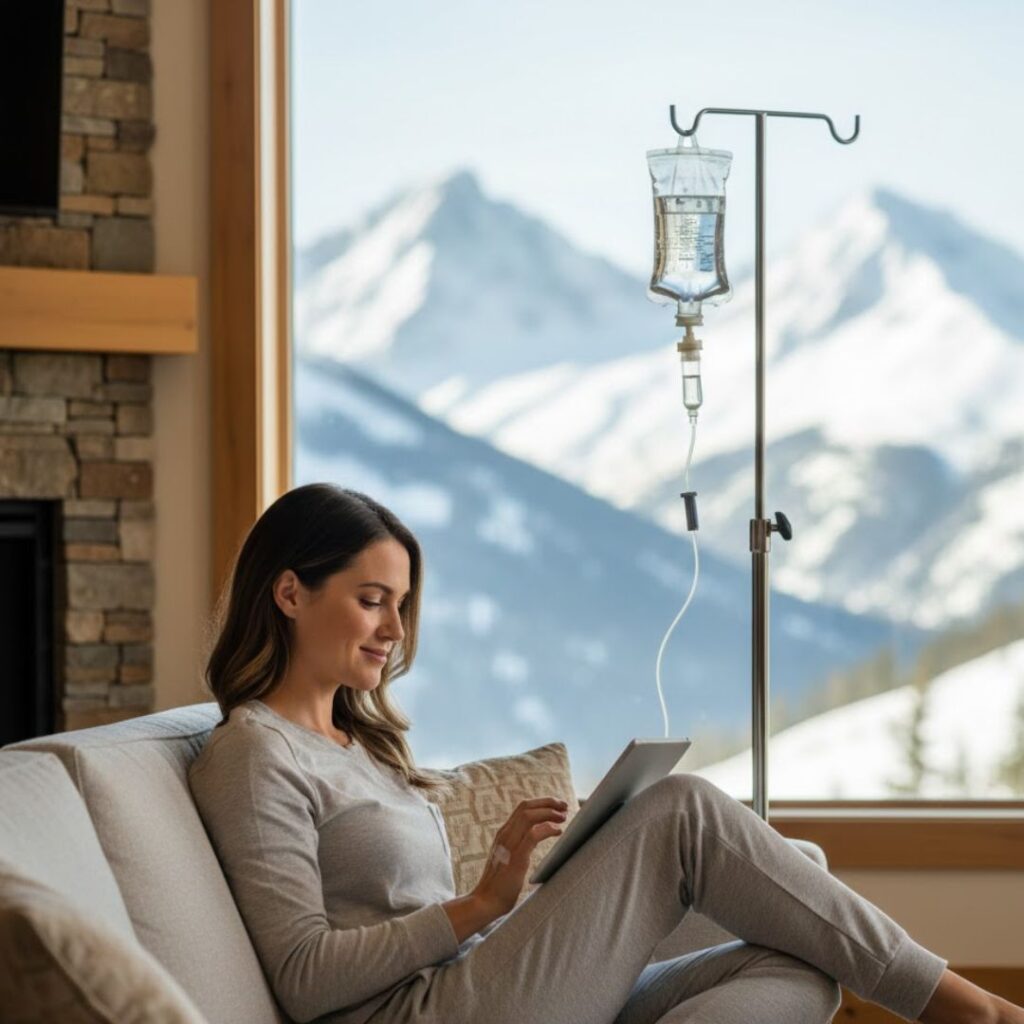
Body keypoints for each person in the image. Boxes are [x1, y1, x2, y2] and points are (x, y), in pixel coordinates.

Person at [188, 483, 1023, 1024]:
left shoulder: (355, 742)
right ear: (291, 591)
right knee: (684, 810)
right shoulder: (254, 755)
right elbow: (300, 977)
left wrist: (523, 891)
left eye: (401, 604)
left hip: (481, 980)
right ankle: (967, 1009)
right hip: (430, 1012)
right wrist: (478, 908)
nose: (396, 630)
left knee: (800, 944)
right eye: (371, 601)